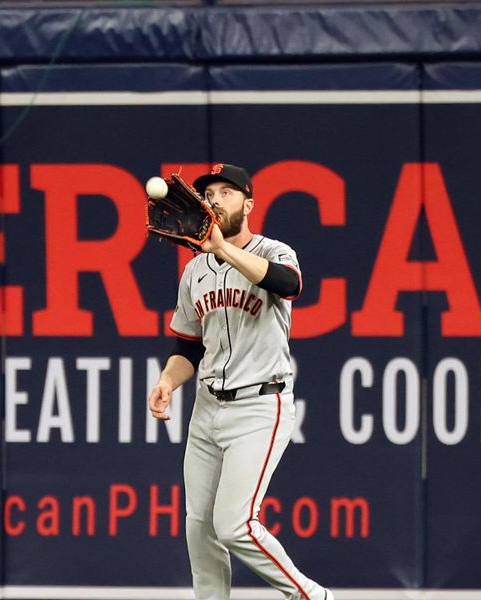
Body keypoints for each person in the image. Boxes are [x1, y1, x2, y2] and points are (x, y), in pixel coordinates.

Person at [148, 164, 334, 600]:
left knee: (234, 524)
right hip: (207, 408)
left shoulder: (275, 250)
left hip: (259, 406)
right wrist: (167, 382)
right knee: (199, 526)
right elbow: (189, 346)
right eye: (208, 193)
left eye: (226, 192)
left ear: (248, 204)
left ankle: (310, 596)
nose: (215, 199)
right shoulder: (194, 272)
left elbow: (288, 284)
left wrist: (222, 249)